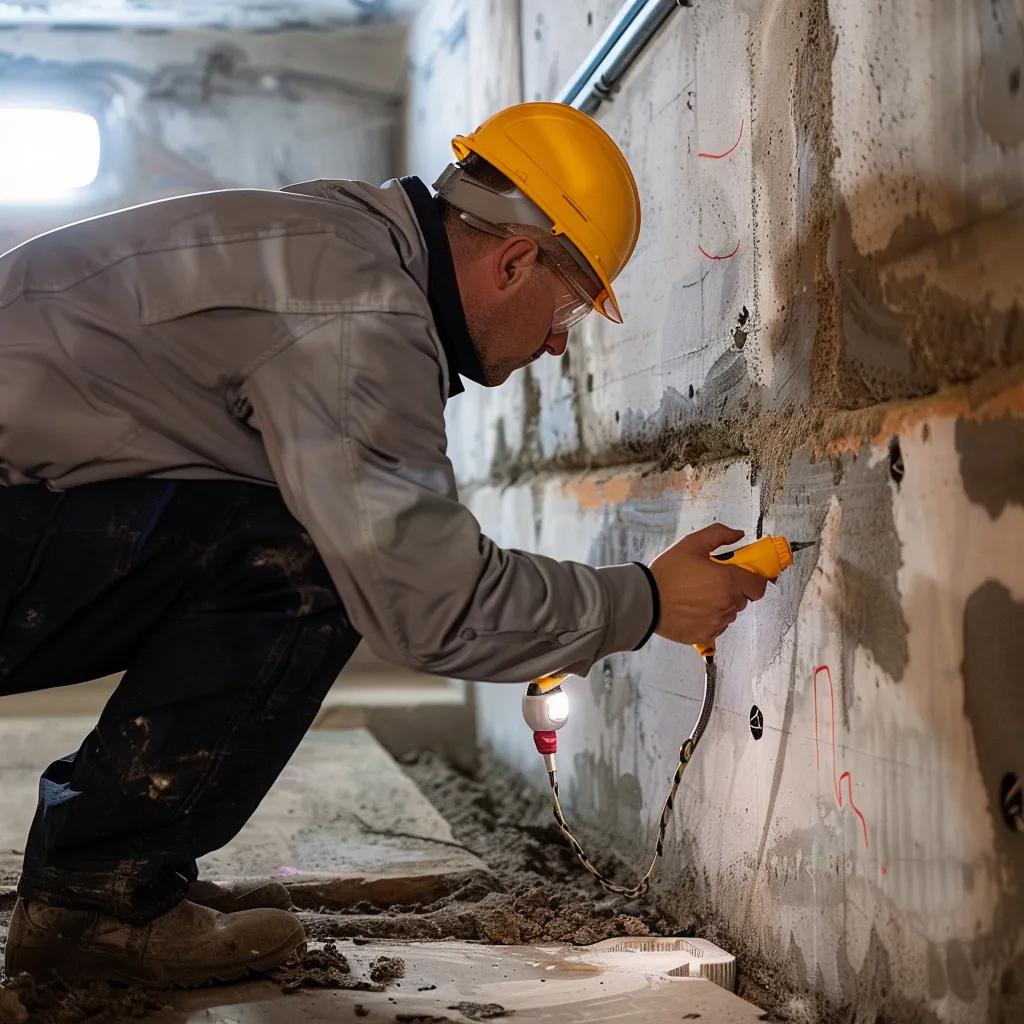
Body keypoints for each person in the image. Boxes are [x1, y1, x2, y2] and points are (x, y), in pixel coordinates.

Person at [0, 102, 766, 986]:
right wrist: (649, 600)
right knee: (311, 556)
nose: (560, 342)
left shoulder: (345, 239)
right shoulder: (358, 310)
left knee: (291, 531)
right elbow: (430, 605)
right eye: (569, 310)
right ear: (515, 260)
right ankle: (97, 906)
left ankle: (98, 891)